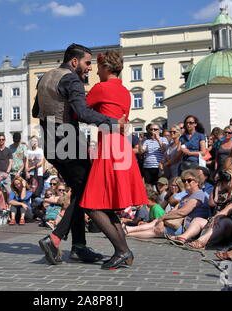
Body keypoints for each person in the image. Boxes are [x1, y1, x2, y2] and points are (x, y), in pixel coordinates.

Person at [33, 43, 126, 265]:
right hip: (68, 141)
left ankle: (78, 246)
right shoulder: (71, 79)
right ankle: (56, 238)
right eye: (86, 63)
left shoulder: (45, 77)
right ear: (74, 61)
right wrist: (112, 122)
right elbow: (82, 113)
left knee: (79, 191)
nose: (89, 68)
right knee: (86, 191)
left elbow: (36, 111)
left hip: (50, 141)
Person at [79, 50, 148, 269]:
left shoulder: (101, 88)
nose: (96, 72)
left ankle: (122, 250)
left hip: (108, 147)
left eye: (98, 68)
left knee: (91, 205)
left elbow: (79, 110)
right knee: (107, 206)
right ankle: (124, 254)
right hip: (121, 146)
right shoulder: (126, 92)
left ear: (106, 68)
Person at [124, 170, 209, 240]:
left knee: (156, 230)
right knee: (155, 222)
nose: (186, 182)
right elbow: (174, 210)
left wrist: (163, 218)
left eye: (189, 180)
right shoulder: (187, 196)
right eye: (184, 181)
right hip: (177, 223)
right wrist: (162, 220)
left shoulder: (199, 195)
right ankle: (128, 230)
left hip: (186, 227)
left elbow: (182, 212)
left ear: (197, 182)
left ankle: (127, 233)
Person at [185, 168, 232, 250]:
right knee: (197, 220)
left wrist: (216, 217)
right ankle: (183, 237)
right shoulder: (223, 192)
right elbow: (212, 203)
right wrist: (217, 186)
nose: (225, 180)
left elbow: (227, 210)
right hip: (218, 224)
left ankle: (201, 241)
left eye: (227, 177)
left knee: (224, 220)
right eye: (223, 179)